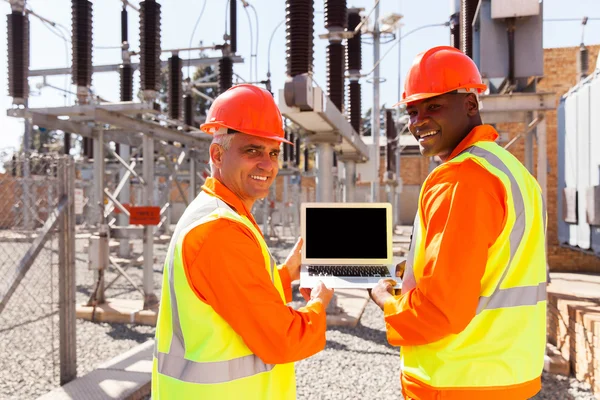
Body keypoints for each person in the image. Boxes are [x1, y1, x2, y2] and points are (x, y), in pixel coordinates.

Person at [369, 46, 548, 400]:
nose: (418, 120)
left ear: (470, 104)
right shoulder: (510, 170)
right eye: (413, 110)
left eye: (433, 106)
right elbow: (494, 265)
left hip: (458, 380)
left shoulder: (460, 178)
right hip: (508, 373)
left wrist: (386, 302)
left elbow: (440, 312)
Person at [152, 84, 334, 399]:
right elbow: (283, 339)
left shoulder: (218, 213)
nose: (268, 164)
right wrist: (318, 303)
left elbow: (235, 292)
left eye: (273, 152)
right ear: (217, 154)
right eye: (252, 150)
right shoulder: (219, 230)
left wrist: (287, 272)